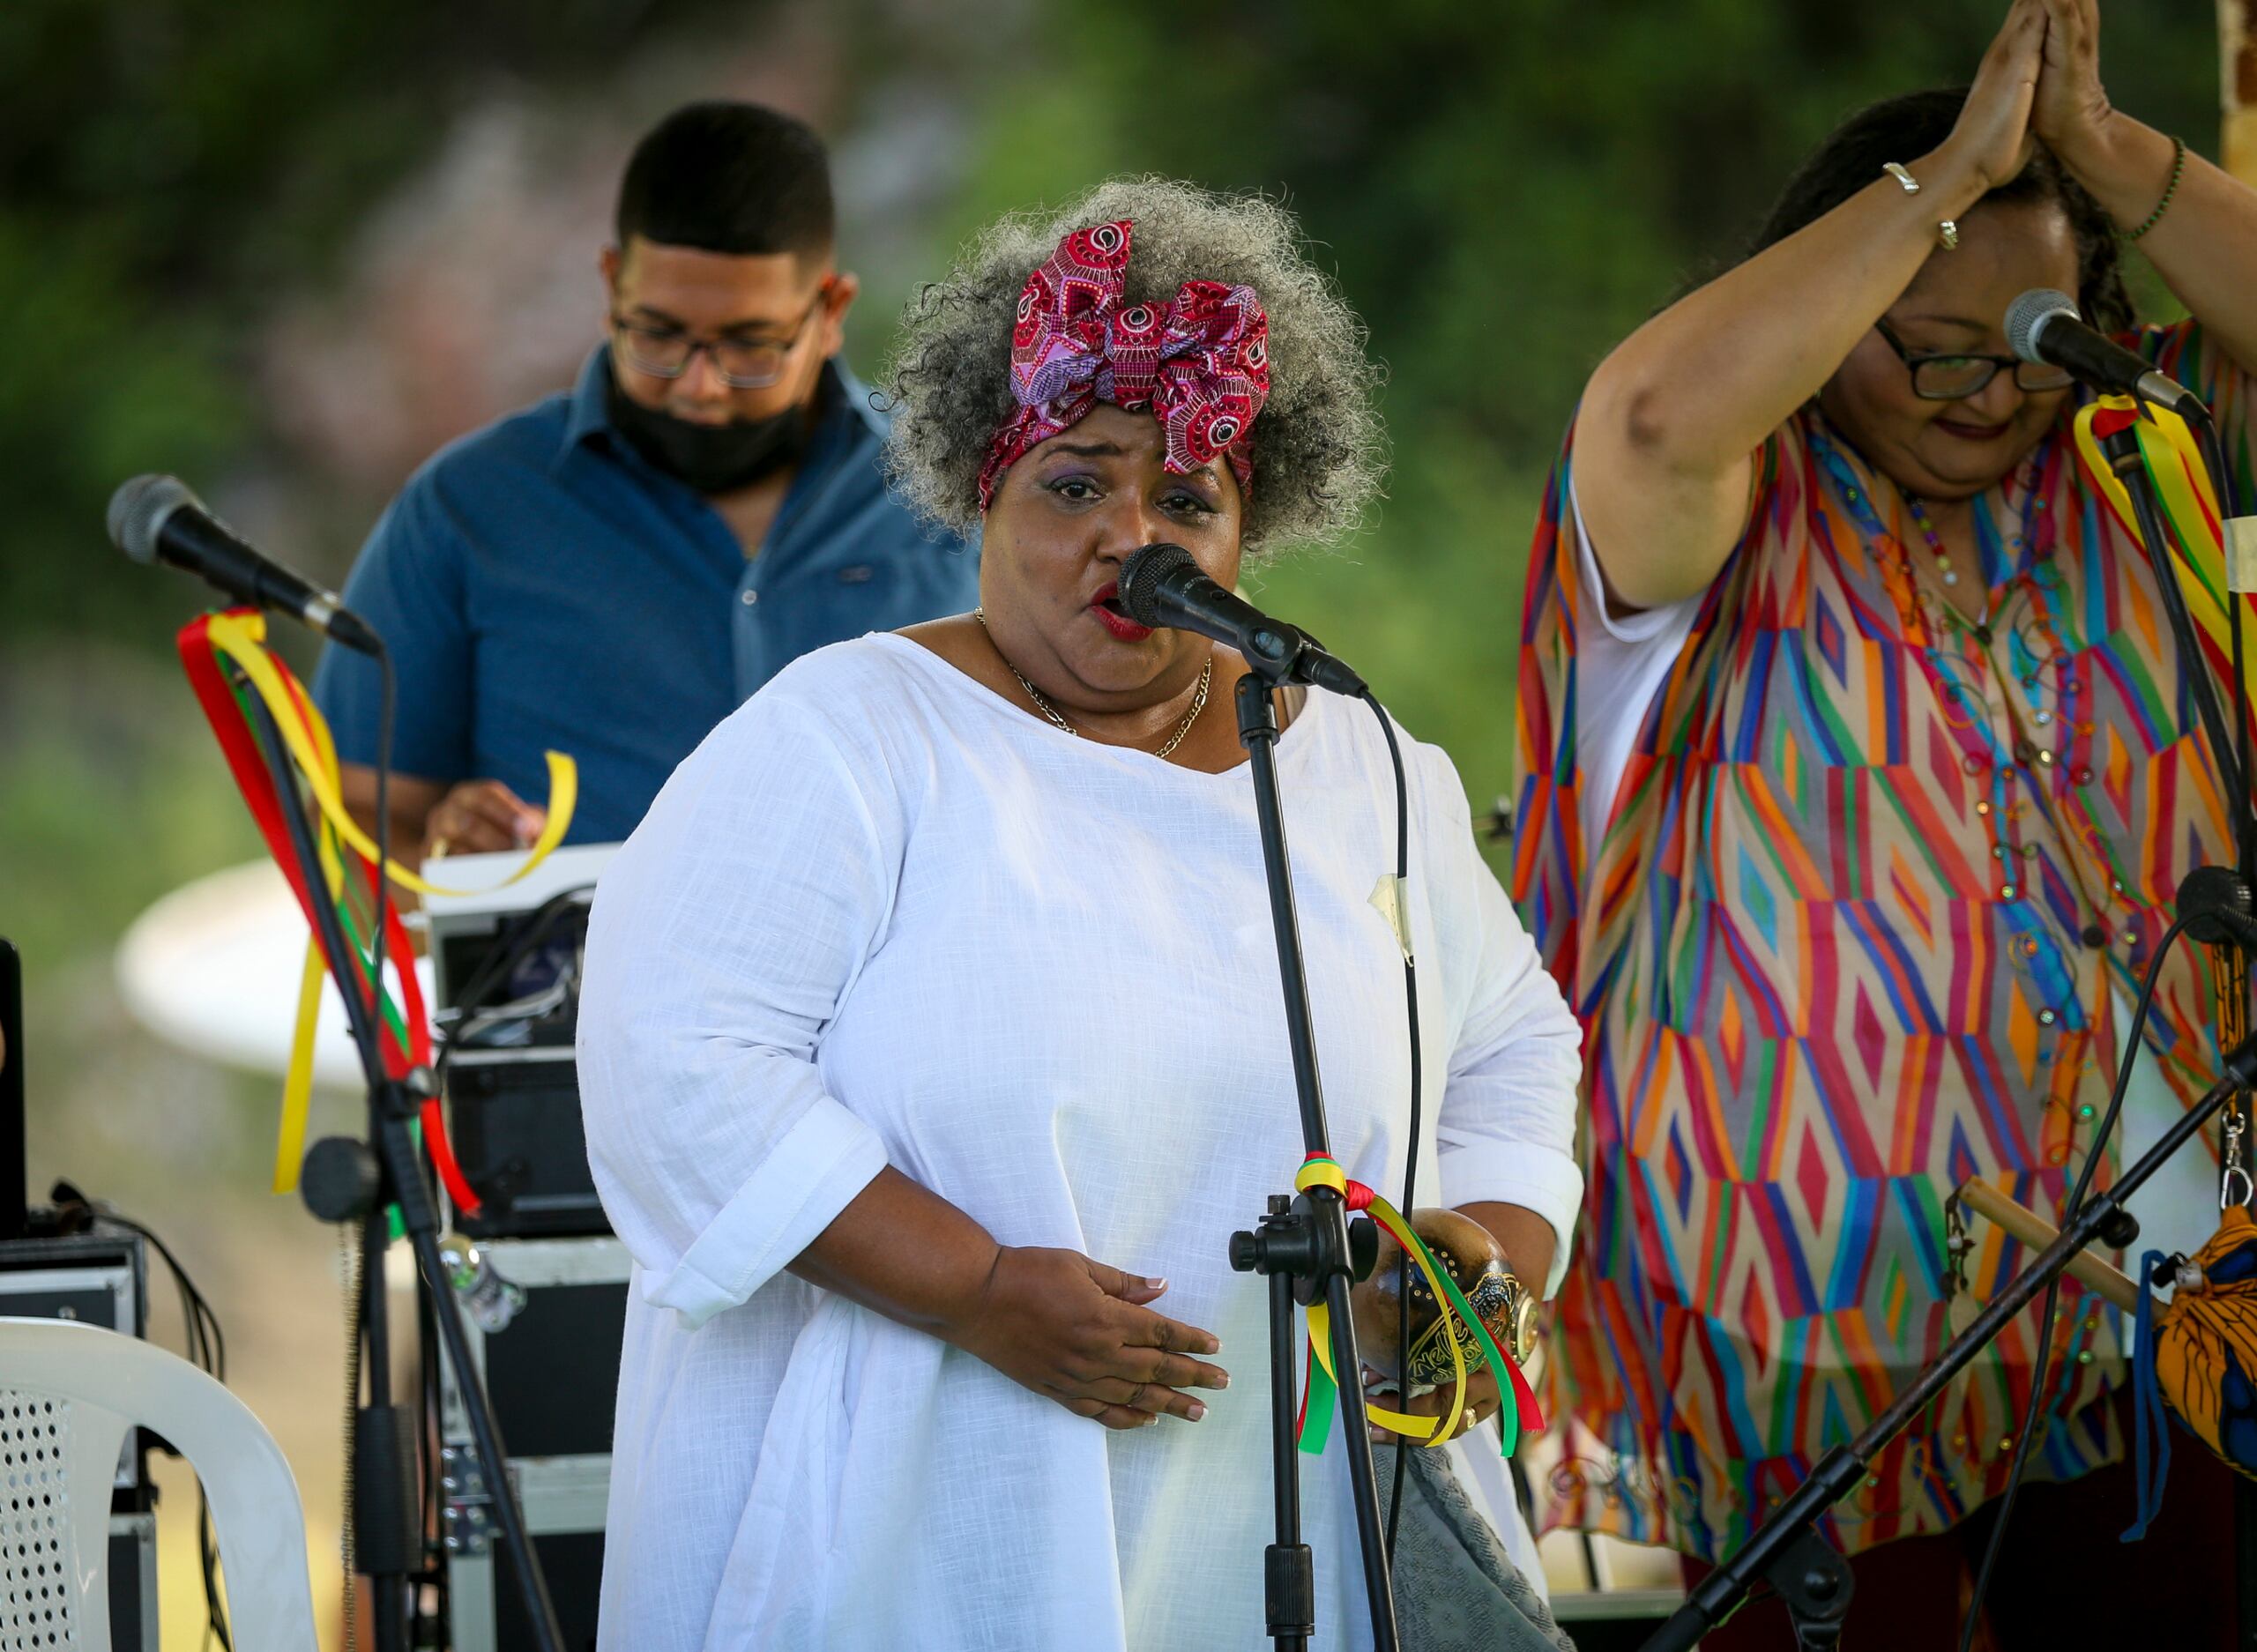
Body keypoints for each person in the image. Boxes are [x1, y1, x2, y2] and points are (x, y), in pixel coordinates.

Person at [576, 179, 1584, 1650]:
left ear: (1249, 531)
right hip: (939, 1516)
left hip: (1299, 1511)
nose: (1131, 533)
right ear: (979, 488)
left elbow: (1512, 1044)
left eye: (1186, 496)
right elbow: (677, 1063)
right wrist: (977, 1286)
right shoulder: (849, 738)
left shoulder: (1356, 761)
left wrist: (1473, 1268)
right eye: (1073, 483)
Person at [1512, 1, 2257, 1645]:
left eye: (2028, 339)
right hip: (1802, 1350)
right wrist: (1949, 178)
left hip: (2153, 1315)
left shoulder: (2144, 464)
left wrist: (2111, 156)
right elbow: (1643, 415)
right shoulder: (1716, 509)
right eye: (1921, 340)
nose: (1979, 389)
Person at [312, 101, 979, 857]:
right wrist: (445, 863)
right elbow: (350, 816)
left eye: (749, 346)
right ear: (610, 286)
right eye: (658, 337)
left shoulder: (954, 494)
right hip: (573, 978)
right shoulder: (467, 512)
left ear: (830, 311)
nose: (700, 387)